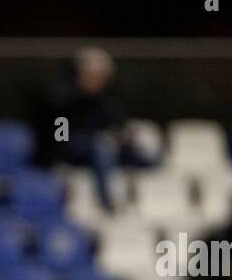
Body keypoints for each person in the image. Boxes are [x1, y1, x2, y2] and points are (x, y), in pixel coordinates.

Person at [41, 47, 150, 210]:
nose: (97, 80)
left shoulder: (108, 100)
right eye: (93, 75)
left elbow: (116, 124)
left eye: (101, 76)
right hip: (73, 147)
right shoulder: (64, 98)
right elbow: (59, 133)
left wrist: (121, 136)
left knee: (142, 151)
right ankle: (107, 203)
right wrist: (63, 150)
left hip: (102, 147)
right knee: (101, 147)